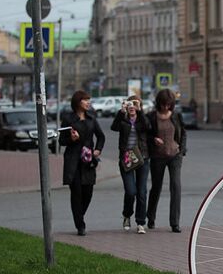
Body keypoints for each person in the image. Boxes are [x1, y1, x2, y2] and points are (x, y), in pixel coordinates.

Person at [59, 90, 105, 236]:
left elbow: (101, 137)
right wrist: (72, 139)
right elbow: (61, 141)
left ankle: (79, 215)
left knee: (88, 192)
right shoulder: (68, 119)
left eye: (89, 100)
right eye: (85, 100)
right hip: (74, 161)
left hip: (88, 161)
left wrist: (98, 149)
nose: (88, 102)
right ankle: (80, 225)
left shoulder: (91, 118)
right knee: (77, 193)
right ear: (78, 102)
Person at [146, 89, 187, 233]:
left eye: (169, 104)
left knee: (176, 186)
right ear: (159, 103)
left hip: (175, 155)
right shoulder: (151, 117)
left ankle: (175, 223)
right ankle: (150, 218)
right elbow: (144, 134)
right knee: (156, 187)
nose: (166, 107)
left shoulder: (176, 116)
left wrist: (181, 151)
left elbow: (183, 133)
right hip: (157, 157)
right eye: (163, 104)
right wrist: (153, 140)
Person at [111, 95, 151, 234]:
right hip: (127, 158)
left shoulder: (142, 119)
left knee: (142, 192)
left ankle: (140, 223)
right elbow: (114, 128)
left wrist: (140, 112)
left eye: (135, 104)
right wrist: (121, 113)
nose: (132, 106)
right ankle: (127, 215)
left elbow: (147, 127)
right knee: (131, 191)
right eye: (130, 104)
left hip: (142, 158)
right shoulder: (123, 119)